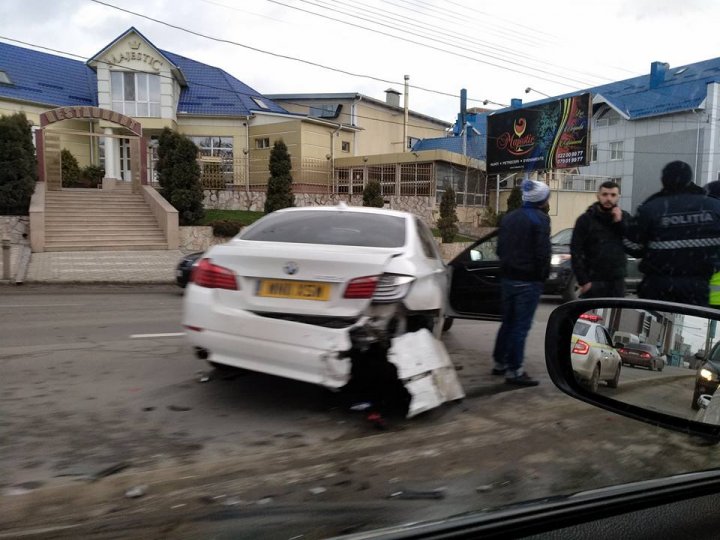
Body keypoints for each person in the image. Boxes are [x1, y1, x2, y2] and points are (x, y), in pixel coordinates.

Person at [624, 161, 720, 305]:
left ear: (664, 180)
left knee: (656, 321)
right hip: (697, 289)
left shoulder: (651, 208)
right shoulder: (714, 207)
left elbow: (632, 246)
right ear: (689, 179)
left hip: (657, 289)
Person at [492, 179, 552, 386]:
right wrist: (542, 276)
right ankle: (515, 370)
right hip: (528, 282)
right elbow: (542, 253)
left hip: (507, 279)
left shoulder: (509, 218)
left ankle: (499, 363)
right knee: (520, 327)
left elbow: (499, 249)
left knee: (507, 322)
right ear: (542, 200)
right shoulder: (540, 220)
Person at [570, 181, 631, 298]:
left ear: (618, 197)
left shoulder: (625, 217)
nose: (608, 199)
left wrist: (619, 223)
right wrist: (584, 281)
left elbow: (632, 243)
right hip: (593, 280)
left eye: (613, 195)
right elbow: (575, 251)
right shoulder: (585, 220)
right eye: (605, 194)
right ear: (598, 196)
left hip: (617, 281)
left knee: (615, 315)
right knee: (591, 315)